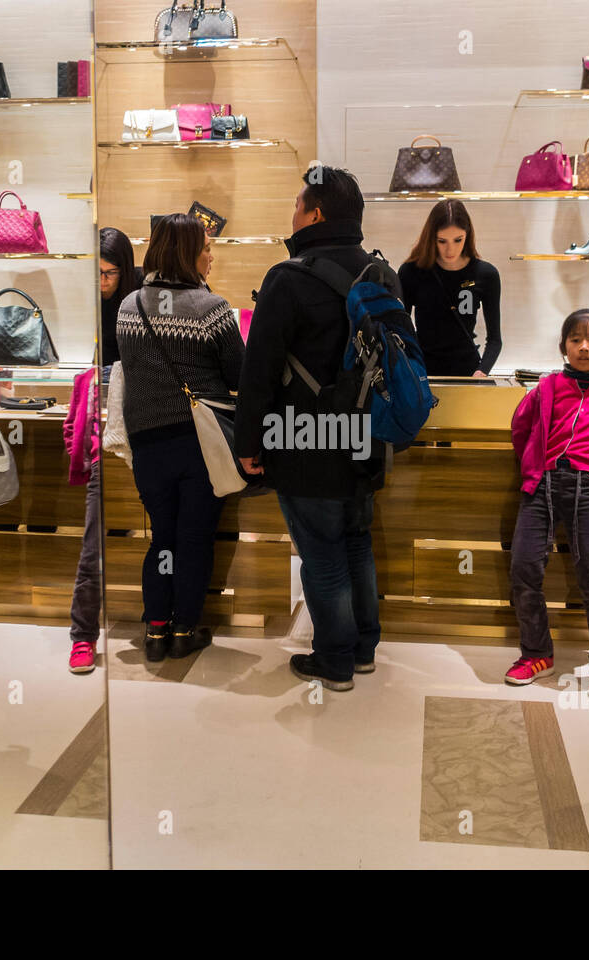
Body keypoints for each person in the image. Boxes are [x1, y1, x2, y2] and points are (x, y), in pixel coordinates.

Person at [234, 165, 390, 691]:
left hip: (304, 440)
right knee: (355, 542)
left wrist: (248, 443)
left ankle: (335, 661)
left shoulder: (289, 277)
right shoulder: (380, 273)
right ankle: (363, 650)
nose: (292, 213)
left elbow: (258, 371)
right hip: (366, 436)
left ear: (315, 214)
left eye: (297, 204)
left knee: (321, 552)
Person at [116, 214, 243, 663]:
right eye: (206, 247)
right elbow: (239, 375)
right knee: (194, 538)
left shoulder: (129, 306)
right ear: (188, 253)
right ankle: (186, 628)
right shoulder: (212, 309)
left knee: (162, 538)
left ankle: (154, 631)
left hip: (148, 445)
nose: (211, 255)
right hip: (199, 445)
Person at [506, 310, 589, 699]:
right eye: (575, 340)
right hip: (542, 486)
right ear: (563, 345)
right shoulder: (547, 388)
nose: (584, 347)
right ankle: (536, 654)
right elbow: (521, 429)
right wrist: (533, 468)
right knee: (524, 567)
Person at [397, 199, 502, 377]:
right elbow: (400, 331)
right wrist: (408, 367)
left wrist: (482, 371)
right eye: (442, 241)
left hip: (467, 372)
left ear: (467, 235)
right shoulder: (412, 272)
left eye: (458, 240)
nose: (450, 250)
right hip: (422, 373)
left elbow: (494, 339)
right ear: (432, 238)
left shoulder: (486, 274)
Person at [64, 359, 102, 673]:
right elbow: (71, 424)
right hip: (100, 471)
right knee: (91, 553)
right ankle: (83, 637)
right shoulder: (86, 379)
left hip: (140, 463)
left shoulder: (139, 367)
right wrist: (81, 455)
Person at [98, 227, 141, 383]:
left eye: (111, 272)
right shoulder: (85, 292)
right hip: (97, 378)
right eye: (98, 271)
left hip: (134, 379)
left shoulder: (142, 287)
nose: (103, 280)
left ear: (124, 270)